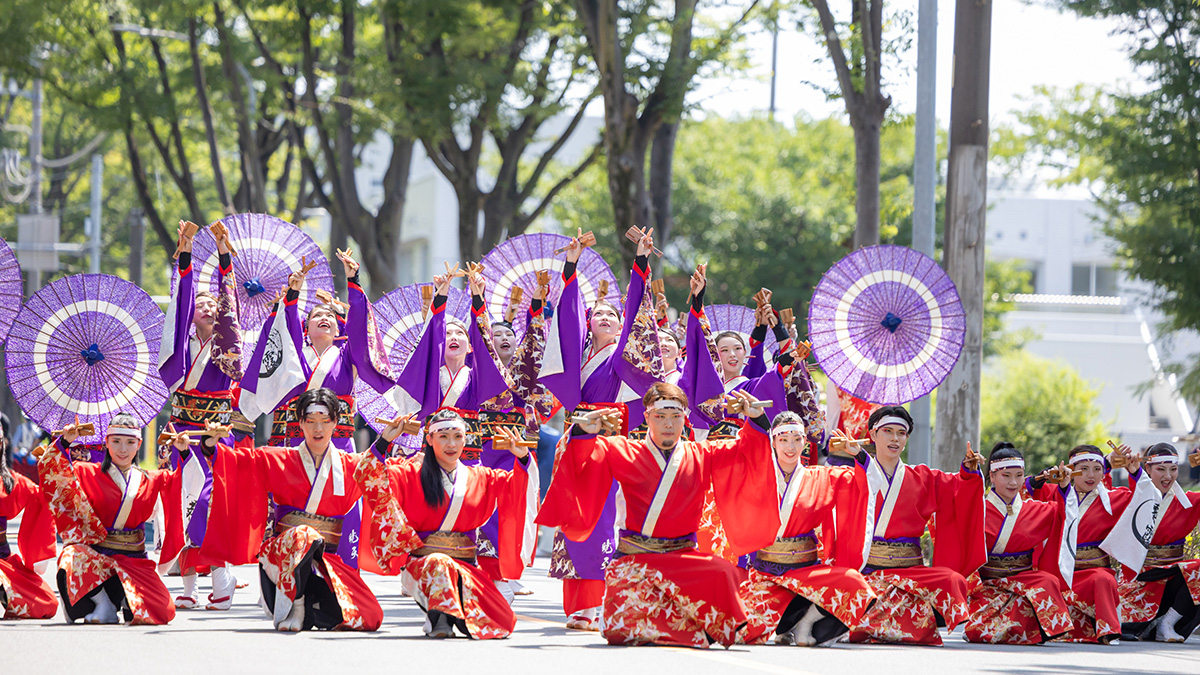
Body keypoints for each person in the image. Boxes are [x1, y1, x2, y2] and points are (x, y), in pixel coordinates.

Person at [537, 383, 780, 648]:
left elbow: (746, 453)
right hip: (635, 559)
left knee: (724, 572)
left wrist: (757, 421)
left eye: (676, 417)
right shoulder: (623, 450)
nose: (668, 424)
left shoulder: (701, 454)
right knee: (620, 631)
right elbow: (581, 462)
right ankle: (691, 628)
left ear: (685, 419)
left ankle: (685, 626)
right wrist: (584, 433)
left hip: (683, 557)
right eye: (660, 416)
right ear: (646, 417)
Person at [537, 229, 664, 630]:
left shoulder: (621, 356)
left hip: (610, 442)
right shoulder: (580, 355)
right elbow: (567, 313)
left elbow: (636, 306)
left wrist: (641, 262)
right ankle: (578, 605)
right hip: (576, 440)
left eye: (613, 315)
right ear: (590, 323)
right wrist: (571, 266)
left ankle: (600, 603)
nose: (605, 319)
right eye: (599, 315)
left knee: (602, 516)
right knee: (573, 517)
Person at [200, 388, 382, 632]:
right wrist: (212, 445)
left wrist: (387, 439)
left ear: (335, 423)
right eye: (311, 422)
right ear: (301, 423)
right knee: (302, 535)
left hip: (326, 560)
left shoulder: (350, 465)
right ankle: (295, 605)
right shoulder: (280, 459)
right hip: (284, 557)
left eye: (325, 421)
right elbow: (237, 462)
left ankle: (314, 607)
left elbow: (380, 469)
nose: (318, 429)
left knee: (371, 617)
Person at [354, 409, 533, 638]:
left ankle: (449, 612)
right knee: (440, 563)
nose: (452, 444)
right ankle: (439, 620)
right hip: (424, 565)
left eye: (458, 436)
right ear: (429, 439)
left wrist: (522, 457)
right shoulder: (410, 473)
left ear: (466, 440)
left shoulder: (480, 477)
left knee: (502, 621)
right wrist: (384, 441)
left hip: (465, 567)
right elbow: (369, 474)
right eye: (443, 436)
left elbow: (517, 488)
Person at [835, 406, 987, 645]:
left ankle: (869, 623)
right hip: (868, 569)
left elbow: (959, 489)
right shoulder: (851, 475)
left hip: (909, 569)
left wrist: (968, 472)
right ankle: (894, 620)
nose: (895, 438)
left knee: (952, 580)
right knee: (852, 586)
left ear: (907, 438)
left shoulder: (923, 477)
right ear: (873, 435)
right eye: (888, 431)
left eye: (901, 433)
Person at [157, 223, 241, 611]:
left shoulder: (228, 347)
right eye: (201, 306)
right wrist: (186, 253)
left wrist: (224, 256)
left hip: (216, 434)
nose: (208, 309)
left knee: (211, 499)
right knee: (182, 500)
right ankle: (188, 586)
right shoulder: (182, 345)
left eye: (213, 306)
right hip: (180, 432)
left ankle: (223, 578)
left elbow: (230, 302)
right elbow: (183, 293)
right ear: (190, 317)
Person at [737, 412, 876, 647]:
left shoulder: (821, 476)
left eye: (797, 439)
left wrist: (858, 454)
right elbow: (738, 456)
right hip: (766, 576)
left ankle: (806, 622)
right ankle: (786, 625)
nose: (791, 446)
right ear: (773, 441)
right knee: (741, 633)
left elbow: (865, 482)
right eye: (783, 439)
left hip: (806, 574)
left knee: (857, 585)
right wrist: (757, 419)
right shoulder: (756, 474)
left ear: (805, 442)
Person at [38, 414, 186, 625]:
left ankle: (125, 601)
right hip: (97, 560)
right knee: (72, 555)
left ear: (139, 444)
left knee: (163, 611)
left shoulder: (151, 479)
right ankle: (103, 603)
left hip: (134, 561)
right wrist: (64, 442)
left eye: (129, 442)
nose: (122, 449)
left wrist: (184, 451)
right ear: (106, 443)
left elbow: (184, 484)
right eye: (116, 442)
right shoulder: (85, 472)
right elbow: (55, 473)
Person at [1026, 443, 1140, 643]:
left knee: (1103, 580)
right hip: (1058, 570)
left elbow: (1145, 501)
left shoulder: (1112, 498)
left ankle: (1108, 631)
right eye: (1083, 469)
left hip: (1093, 571)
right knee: (1045, 584)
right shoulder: (1055, 491)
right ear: (1071, 471)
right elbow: (1026, 488)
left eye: (1097, 469)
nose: (1091, 476)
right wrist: (1045, 475)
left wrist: (1135, 472)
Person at [963, 443, 1072, 644]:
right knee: (978, 632)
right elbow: (954, 508)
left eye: (1019, 475)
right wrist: (968, 474)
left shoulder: (1036, 509)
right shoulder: (979, 509)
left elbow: (1065, 515)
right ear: (993, 477)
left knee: (1047, 582)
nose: (1014, 482)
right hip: (989, 585)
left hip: (1024, 580)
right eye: (1006, 476)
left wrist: (1064, 487)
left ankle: (1033, 628)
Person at [1102, 442, 1200, 642]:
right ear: (1147, 468)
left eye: (1173, 469)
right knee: (1122, 627)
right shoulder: (1130, 496)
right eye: (1161, 469)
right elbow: (1098, 496)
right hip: (1140, 575)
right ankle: (1150, 625)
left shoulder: (1189, 501)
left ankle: (1168, 623)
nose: (1168, 476)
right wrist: (1106, 464)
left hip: (1175, 578)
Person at [0, 434, 57, 619]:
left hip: (2, 562)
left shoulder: (10, 481)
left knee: (47, 603)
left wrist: (48, 470)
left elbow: (41, 498)